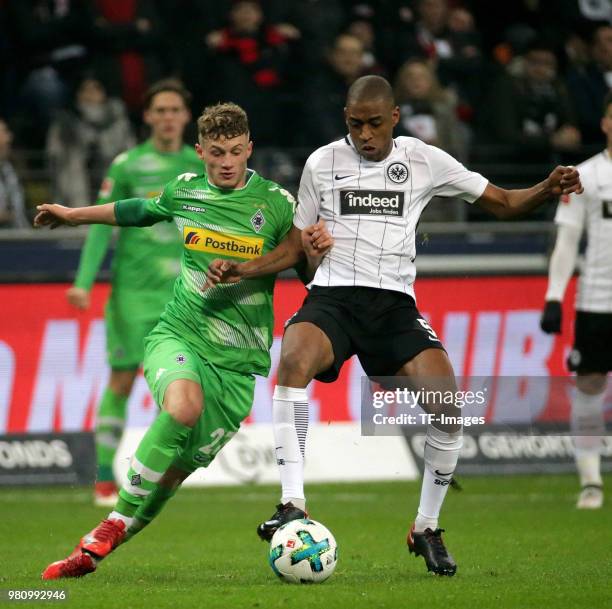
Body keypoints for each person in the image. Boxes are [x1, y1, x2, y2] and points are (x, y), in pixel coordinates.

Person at [206, 75, 583, 577]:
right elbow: (299, 246)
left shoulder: (425, 159)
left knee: (449, 407)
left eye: (375, 124)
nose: (365, 134)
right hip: (334, 298)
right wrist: (244, 269)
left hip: (394, 304)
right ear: (346, 119)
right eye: (356, 124)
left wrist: (547, 186)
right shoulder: (322, 163)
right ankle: (292, 502)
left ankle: (425, 527)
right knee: (293, 360)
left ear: (395, 118)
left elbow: (504, 202)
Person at [35, 102, 332, 580]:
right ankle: (111, 522)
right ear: (201, 152)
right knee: (181, 407)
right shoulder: (184, 193)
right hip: (179, 332)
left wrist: (315, 256)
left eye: (236, 151)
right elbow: (135, 210)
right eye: (217, 153)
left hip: (237, 364)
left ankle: (96, 548)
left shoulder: (277, 204)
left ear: (249, 148)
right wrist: (73, 214)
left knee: (174, 474)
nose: (228, 162)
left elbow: (306, 272)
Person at [66, 79, 200, 508]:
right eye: (159, 110)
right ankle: (105, 478)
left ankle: (162, 470)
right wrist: (84, 283)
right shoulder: (127, 165)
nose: (166, 117)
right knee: (122, 380)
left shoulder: (198, 166)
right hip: (131, 296)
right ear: (147, 116)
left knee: (184, 386)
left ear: (185, 116)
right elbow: (100, 230)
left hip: (184, 296)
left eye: (174, 110)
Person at [540, 91, 612, 510]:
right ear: (604, 123)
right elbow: (566, 242)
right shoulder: (585, 176)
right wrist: (553, 297)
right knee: (589, 386)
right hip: (597, 301)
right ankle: (590, 482)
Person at [0, 118, 29, 228]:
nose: (9, 138)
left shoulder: (8, 169)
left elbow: (18, 212)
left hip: (17, 237)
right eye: (4, 132)